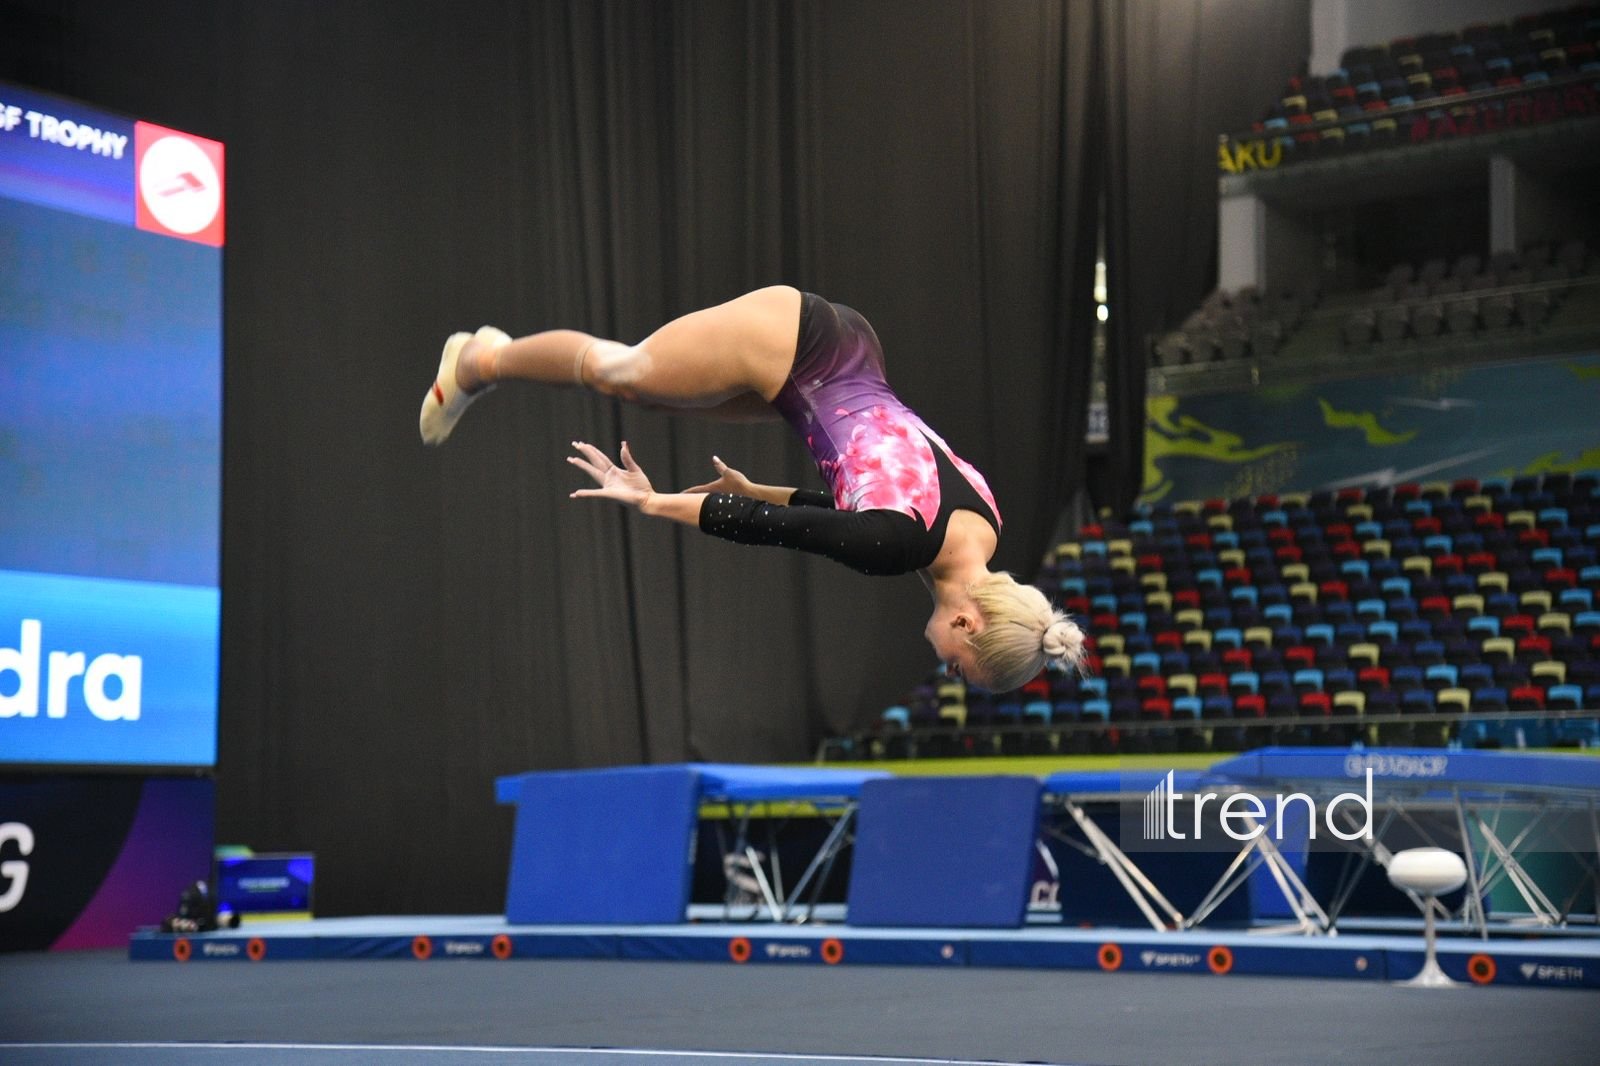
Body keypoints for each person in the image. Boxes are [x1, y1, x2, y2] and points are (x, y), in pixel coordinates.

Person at [420, 285, 1084, 691]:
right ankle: (481, 360)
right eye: (956, 667)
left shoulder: (979, 526)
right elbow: (776, 529)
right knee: (622, 371)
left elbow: (845, 509)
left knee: (657, 395)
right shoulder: (900, 549)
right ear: (967, 624)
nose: (944, 663)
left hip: (830, 361)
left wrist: (759, 487)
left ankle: (495, 358)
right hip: (797, 352)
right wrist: (651, 501)